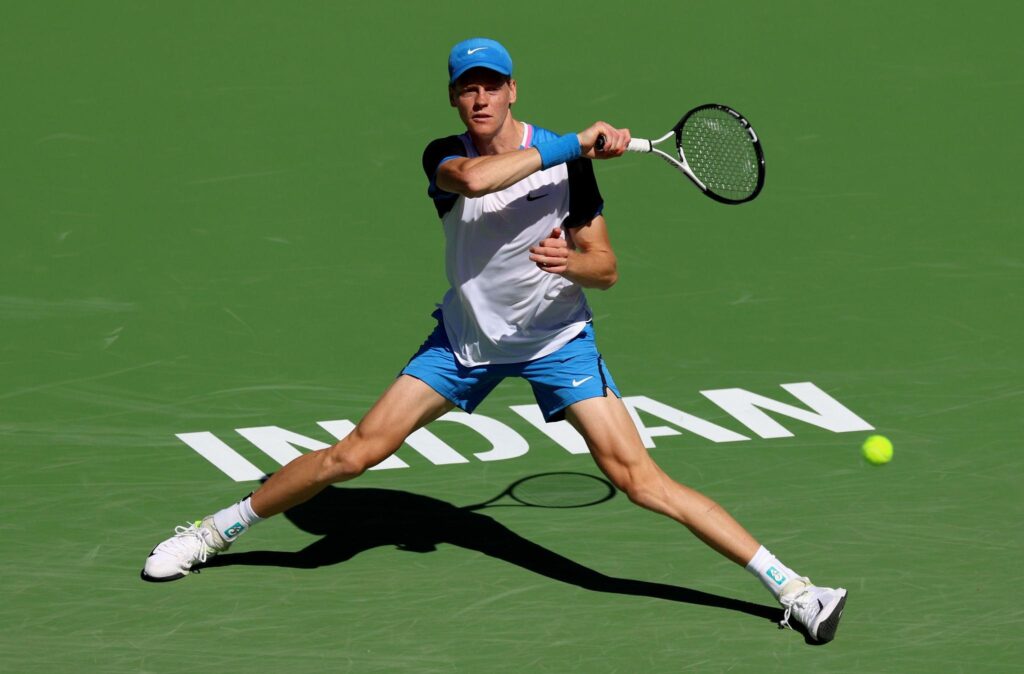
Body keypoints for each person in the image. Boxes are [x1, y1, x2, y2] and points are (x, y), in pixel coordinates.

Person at [142, 37, 847, 643]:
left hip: (557, 343)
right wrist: (574, 143)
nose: (478, 99)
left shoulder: (571, 169)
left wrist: (572, 262)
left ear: (512, 90)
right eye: (465, 88)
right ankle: (214, 530)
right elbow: (478, 184)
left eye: (489, 86)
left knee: (642, 482)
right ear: (455, 101)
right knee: (354, 453)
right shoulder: (445, 158)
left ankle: (795, 591)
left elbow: (607, 268)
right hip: (465, 343)